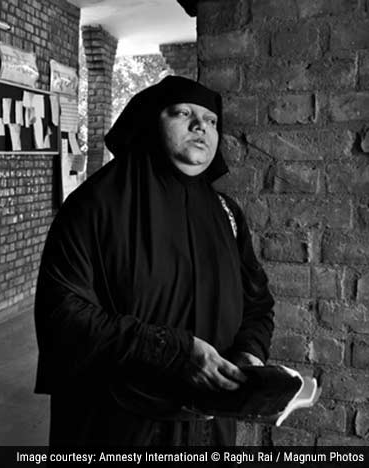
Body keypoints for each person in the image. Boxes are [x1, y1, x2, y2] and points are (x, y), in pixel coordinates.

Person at [33, 76, 275, 446]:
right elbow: (63, 317)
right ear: (149, 120)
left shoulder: (227, 213)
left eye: (211, 121)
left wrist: (249, 354)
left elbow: (257, 302)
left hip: (207, 427)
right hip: (116, 425)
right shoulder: (93, 207)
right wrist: (176, 352)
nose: (201, 127)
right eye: (183, 113)